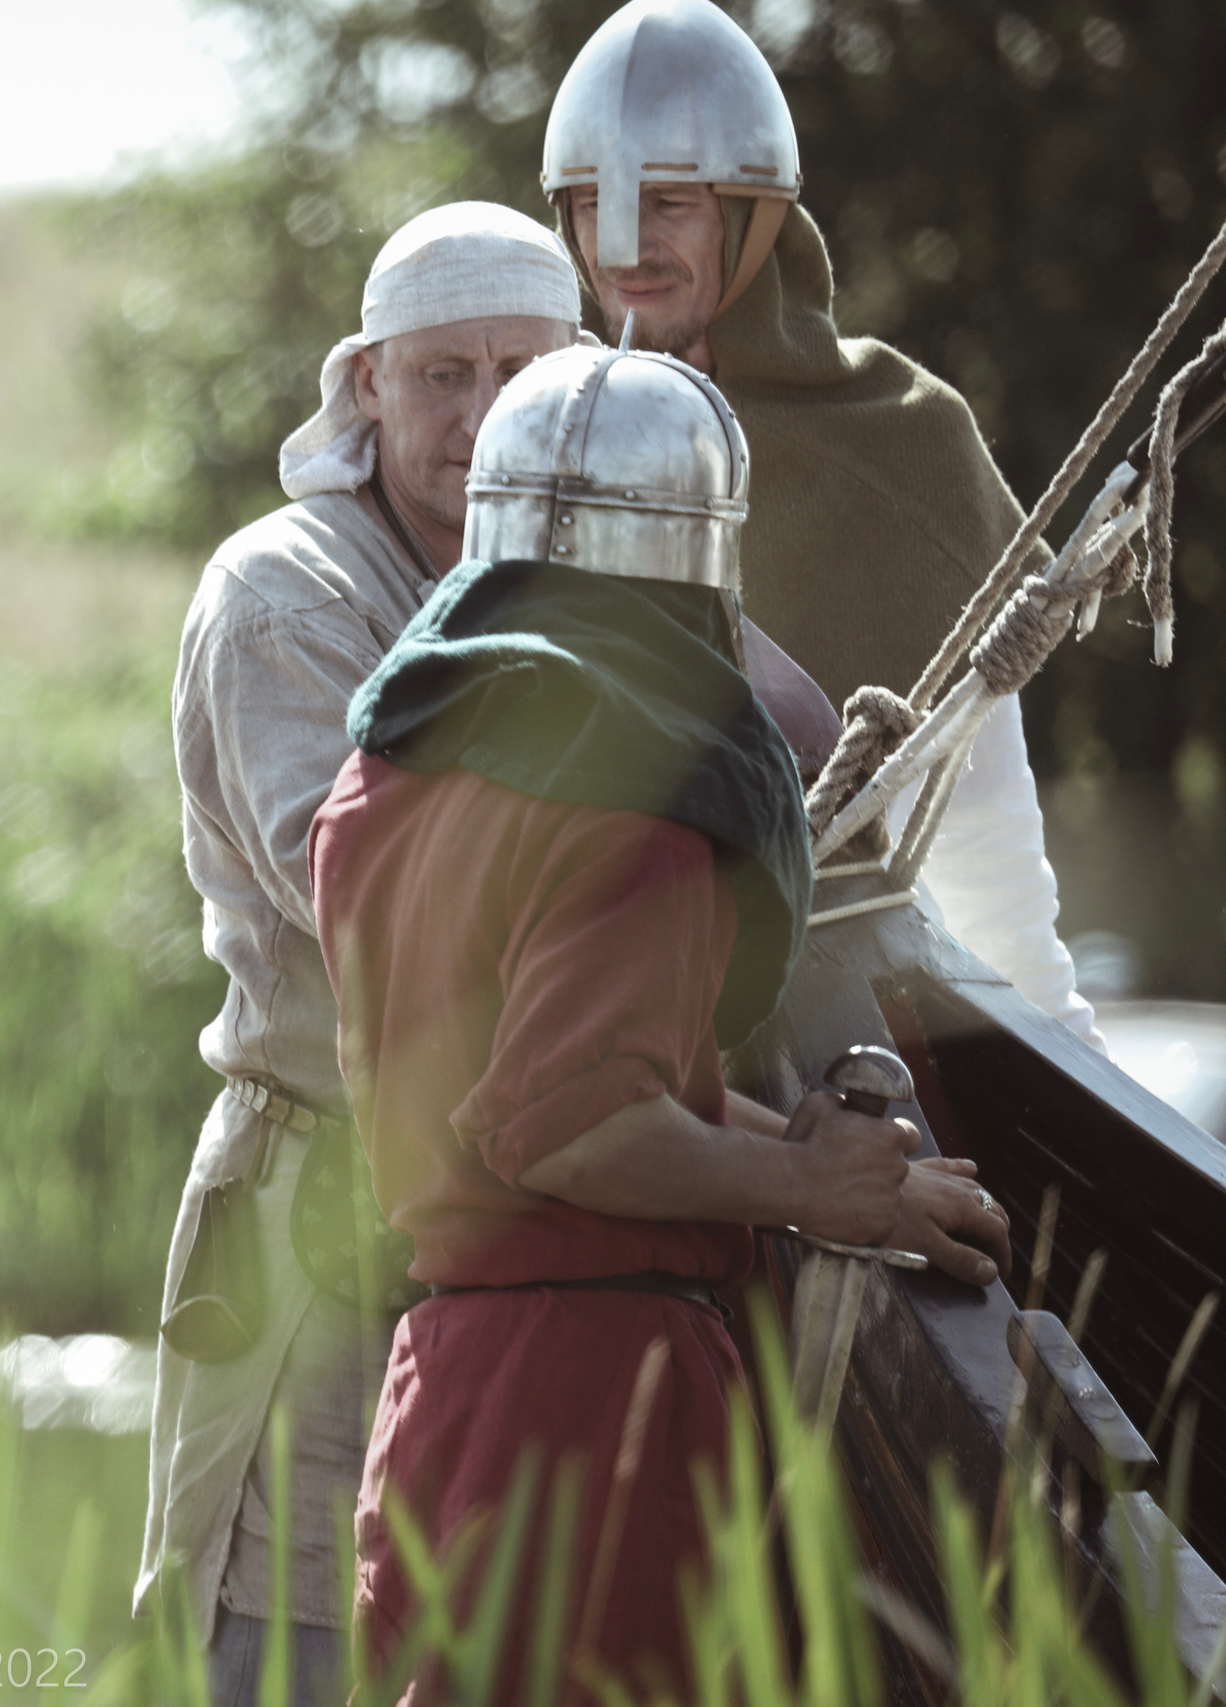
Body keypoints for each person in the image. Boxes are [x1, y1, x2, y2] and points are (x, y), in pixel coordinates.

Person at [138, 200, 841, 1707]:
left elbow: (786, 741)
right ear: (367, 384)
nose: (474, 418)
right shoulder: (289, 591)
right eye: (439, 374)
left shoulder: (580, 581)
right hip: (336, 1205)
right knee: (299, 1642)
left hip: (528, 1232)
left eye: (516, 376)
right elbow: (388, 917)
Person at [309, 340, 1013, 1699]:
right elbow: (569, 1122)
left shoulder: (389, 777)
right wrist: (807, 1183)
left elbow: (576, 1076)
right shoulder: (631, 794)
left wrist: (833, 1173)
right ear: (700, 559)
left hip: (444, 1384)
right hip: (599, 1407)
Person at [537, 0, 1100, 1045]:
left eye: (668, 203)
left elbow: (990, 866)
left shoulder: (902, 438)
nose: (624, 246)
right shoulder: (532, 445)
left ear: (752, 215)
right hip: (591, 1036)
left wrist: (1075, 1077)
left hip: (852, 1044)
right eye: (592, 205)